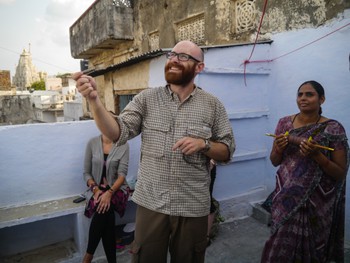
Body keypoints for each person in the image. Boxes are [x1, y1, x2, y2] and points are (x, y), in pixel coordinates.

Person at [73, 40, 235, 263]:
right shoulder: (146, 99)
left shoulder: (213, 105)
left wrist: (203, 144)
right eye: (172, 54)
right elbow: (117, 132)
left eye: (184, 57)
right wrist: (94, 101)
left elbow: (227, 150)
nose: (175, 59)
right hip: (151, 204)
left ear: (199, 67)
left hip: (192, 205)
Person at [261, 80, 349, 263]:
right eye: (300, 94)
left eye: (309, 94)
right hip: (286, 197)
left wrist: (317, 156)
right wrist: (278, 148)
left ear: (321, 99)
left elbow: (340, 172)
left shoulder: (333, 128)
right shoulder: (284, 123)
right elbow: (274, 161)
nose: (303, 98)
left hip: (318, 201)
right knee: (280, 247)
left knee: (313, 250)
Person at [82, 134, 130, 263]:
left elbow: (122, 175)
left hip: (117, 189)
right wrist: (95, 189)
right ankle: (111, 261)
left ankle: (88, 256)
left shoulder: (123, 145)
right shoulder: (92, 143)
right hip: (96, 189)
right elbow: (86, 173)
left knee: (103, 207)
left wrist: (109, 192)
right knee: (105, 211)